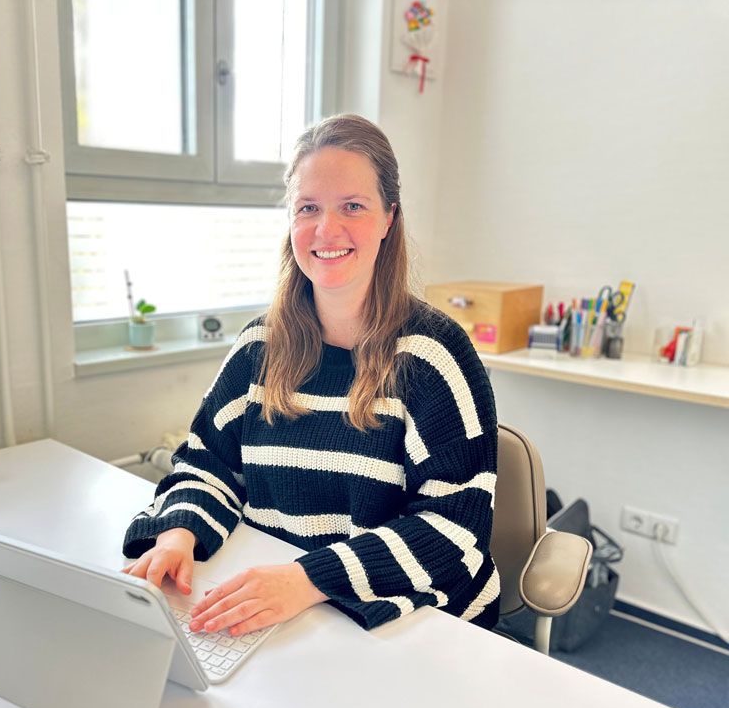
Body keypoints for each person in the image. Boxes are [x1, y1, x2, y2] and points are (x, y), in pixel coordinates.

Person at [122, 113, 500, 638]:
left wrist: (307, 579)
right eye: (308, 208)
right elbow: (205, 464)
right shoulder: (260, 346)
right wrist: (177, 534)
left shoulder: (433, 355)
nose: (327, 230)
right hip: (284, 612)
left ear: (389, 218)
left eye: (352, 206)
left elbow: (455, 529)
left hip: (409, 626)